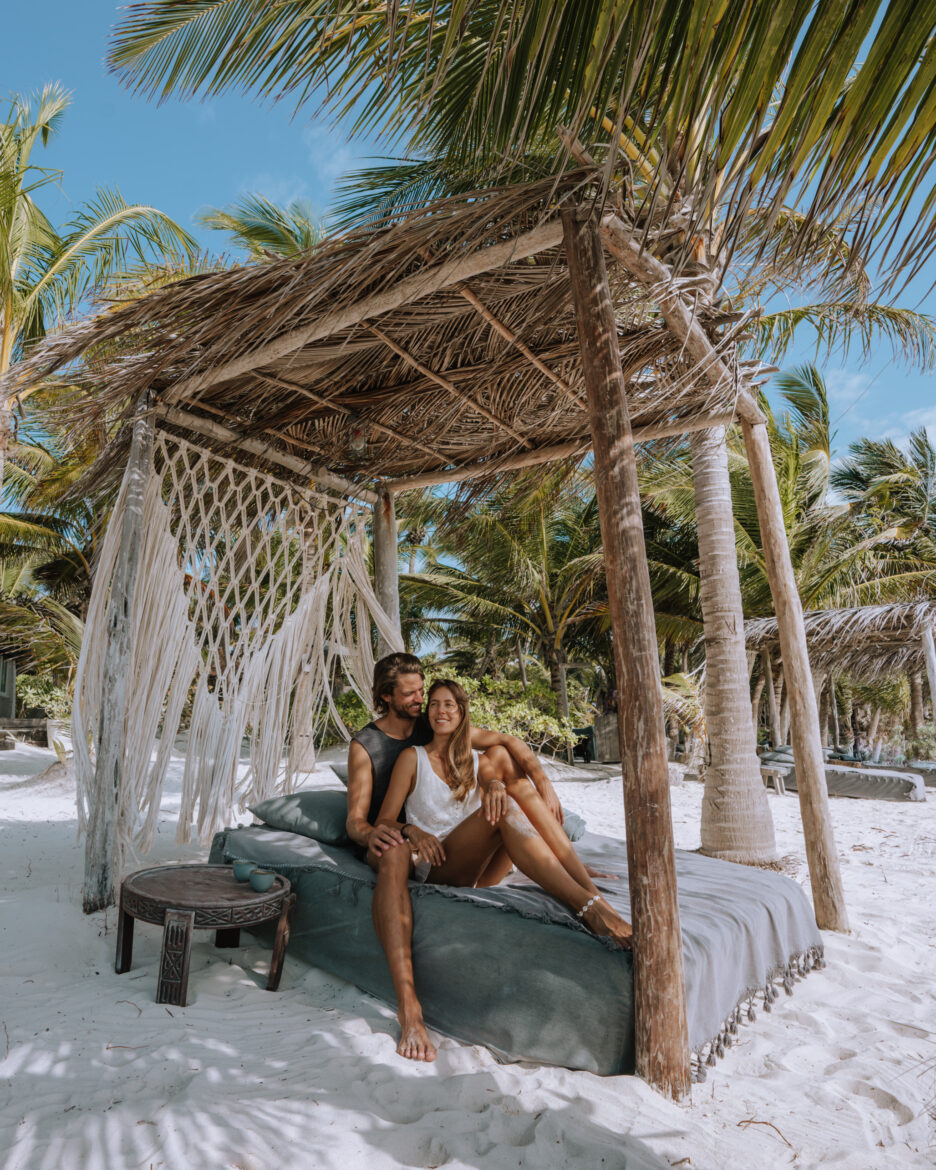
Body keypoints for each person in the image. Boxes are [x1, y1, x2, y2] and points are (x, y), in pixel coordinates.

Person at [345, 652, 564, 1060]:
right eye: (410, 693)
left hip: (439, 843)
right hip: (389, 840)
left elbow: (505, 742)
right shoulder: (366, 745)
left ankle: (574, 880)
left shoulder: (431, 724)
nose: (420, 698)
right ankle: (410, 1009)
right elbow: (355, 822)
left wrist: (542, 782)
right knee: (393, 854)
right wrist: (387, 832)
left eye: (421, 691)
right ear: (386, 697)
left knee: (499, 774)